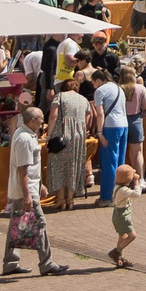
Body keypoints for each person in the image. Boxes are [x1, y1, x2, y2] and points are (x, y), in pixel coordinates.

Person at [2, 104, 68, 276]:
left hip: (26, 189)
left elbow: (31, 168)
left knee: (17, 224)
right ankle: (46, 263)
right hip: (25, 191)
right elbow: (23, 169)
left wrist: (40, 184)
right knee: (40, 223)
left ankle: (10, 262)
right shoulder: (24, 139)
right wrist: (28, 195)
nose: (43, 123)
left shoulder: (25, 134)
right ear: (32, 120)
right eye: (41, 120)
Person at [46, 72, 90, 208]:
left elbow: (53, 116)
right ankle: (70, 199)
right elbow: (87, 118)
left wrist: (48, 135)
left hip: (61, 135)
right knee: (74, 166)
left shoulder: (60, 97)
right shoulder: (84, 100)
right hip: (78, 137)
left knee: (59, 165)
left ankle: (61, 199)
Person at [94, 67, 133, 203]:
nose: (94, 86)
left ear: (98, 81)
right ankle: (119, 195)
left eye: (93, 83)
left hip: (110, 127)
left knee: (109, 163)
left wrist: (99, 132)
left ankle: (107, 197)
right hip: (124, 125)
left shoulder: (100, 91)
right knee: (120, 163)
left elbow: (100, 113)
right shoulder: (119, 88)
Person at [108, 163, 140, 268]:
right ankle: (116, 252)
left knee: (122, 237)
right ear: (128, 179)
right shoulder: (123, 190)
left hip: (117, 214)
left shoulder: (117, 187)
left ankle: (120, 258)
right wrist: (136, 181)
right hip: (122, 216)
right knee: (132, 236)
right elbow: (137, 194)